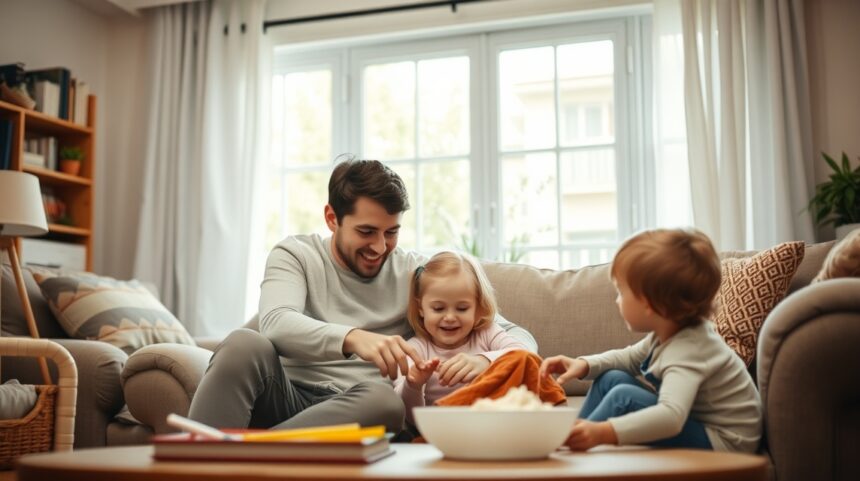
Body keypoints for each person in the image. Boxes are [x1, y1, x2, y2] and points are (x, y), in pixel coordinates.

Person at [188, 158, 536, 433]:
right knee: (243, 343)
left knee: (385, 401)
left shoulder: (416, 273)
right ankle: (198, 467)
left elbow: (519, 338)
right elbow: (276, 324)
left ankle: (244, 457)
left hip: (361, 408)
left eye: (392, 232)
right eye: (366, 231)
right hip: (288, 397)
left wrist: (486, 360)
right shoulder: (295, 255)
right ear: (331, 218)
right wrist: (353, 338)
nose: (380, 247)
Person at [540, 228, 762, 453]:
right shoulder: (670, 333)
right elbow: (628, 358)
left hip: (726, 441)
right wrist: (584, 364)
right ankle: (570, 438)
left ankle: (570, 448)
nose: (617, 301)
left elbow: (671, 417)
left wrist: (604, 432)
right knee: (611, 378)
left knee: (623, 397)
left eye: (621, 292)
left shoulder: (689, 350)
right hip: (701, 425)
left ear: (648, 304)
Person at [394, 251, 530, 425]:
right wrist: (414, 385)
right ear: (421, 308)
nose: (450, 317)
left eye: (462, 308)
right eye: (438, 308)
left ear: (479, 307)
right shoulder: (414, 350)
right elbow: (411, 418)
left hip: (493, 422)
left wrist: (485, 361)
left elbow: (524, 356)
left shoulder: (487, 334)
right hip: (442, 429)